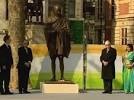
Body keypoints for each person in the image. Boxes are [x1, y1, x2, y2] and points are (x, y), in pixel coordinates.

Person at [45, 5, 71, 81]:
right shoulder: (50, 20)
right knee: (53, 59)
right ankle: (53, 76)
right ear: (54, 11)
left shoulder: (64, 20)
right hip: (53, 42)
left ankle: (62, 76)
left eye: (60, 10)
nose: (59, 12)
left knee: (60, 58)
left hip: (60, 42)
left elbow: (68, 30)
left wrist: (62, 31)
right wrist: (53, 31)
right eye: (57, 10)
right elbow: (46, 30)